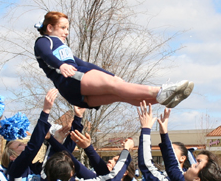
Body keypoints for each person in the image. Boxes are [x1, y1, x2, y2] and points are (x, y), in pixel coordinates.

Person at [34, 11, 193, 109]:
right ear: (50, 28)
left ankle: (164, 99)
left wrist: (111, 74)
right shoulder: (44, 41)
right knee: (117, 87)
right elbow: (47, 55)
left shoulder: (63, 48)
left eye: (68, 28)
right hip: (70, 80)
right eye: (63, 28)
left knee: (121, 95)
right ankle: (159, 91)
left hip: (74, 93)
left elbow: (84, 64)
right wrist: (61, 65)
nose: (66, 32)